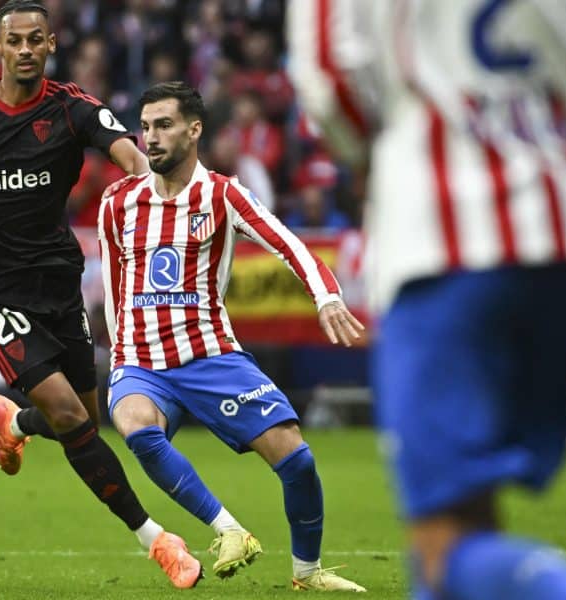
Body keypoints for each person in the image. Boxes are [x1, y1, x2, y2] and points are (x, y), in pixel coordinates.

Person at [289, 2, 566, 599]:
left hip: (446, 229)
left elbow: (329, 77)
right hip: (564, 228)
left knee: (442, 547)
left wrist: (393, 157)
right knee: (471, 518)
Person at [0, 0, 201, 588]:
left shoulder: (71, 108)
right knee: (74, 414)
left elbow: (127, 151)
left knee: (82, 415)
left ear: (51, 44)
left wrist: (147, 189)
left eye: (36, 40)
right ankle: (157, 540)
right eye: (14, 41)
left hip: (57, 281)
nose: (25, 50)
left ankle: (17, 423)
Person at [97, 81, 366, 592]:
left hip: (210, 354)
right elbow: (113, 286)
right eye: (146, 126)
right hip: (142, 360)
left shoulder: (223, 194)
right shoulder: (118, 202)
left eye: (164, 125)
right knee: (134, 423)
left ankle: (307, 574)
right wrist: (119, 357)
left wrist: (326, 296)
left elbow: (288, 243)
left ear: (194, 130)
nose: (150, 138)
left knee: (297, 459)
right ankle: (229, 530)